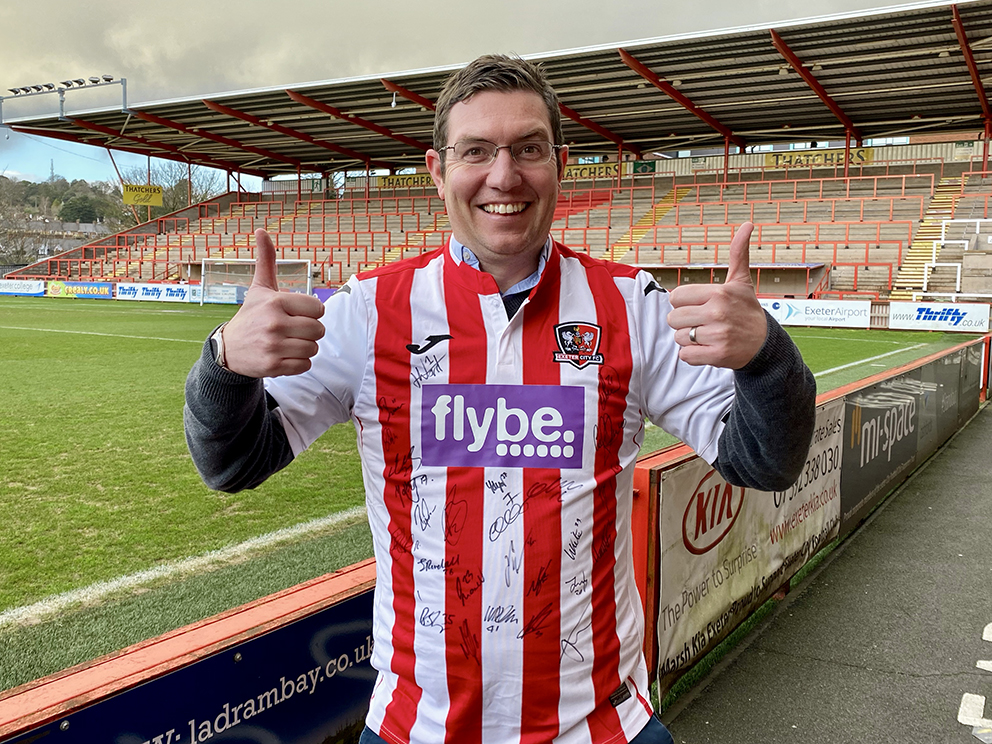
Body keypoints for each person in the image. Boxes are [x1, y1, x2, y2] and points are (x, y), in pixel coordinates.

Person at [184, 54, 815, 744]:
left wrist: (766, 356)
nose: (503, 176)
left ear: (561, 164)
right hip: (417, 729)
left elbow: (765, 461)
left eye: (528, 149)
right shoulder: (369, 312)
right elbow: (231, 463)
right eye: (476, 151)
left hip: (601, 726)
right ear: (437, 170)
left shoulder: (630, 306)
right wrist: (224, 363)